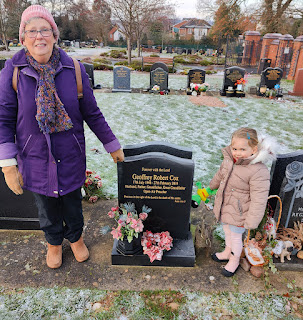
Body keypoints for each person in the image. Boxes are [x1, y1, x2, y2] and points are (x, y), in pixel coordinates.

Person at [0, 5, 124, 269]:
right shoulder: (12, 73)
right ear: (22, 38)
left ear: (55, 36)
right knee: (46, 208)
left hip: (70, 155)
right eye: (32, 31)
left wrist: (111, 145)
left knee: (72, 204)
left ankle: (76, 238)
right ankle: (54, 243)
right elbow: (3, 120)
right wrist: (8, 164)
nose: (39, 37)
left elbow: (92, 113)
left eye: (45, 30)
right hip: (34, 158)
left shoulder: (74, 70)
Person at [208, 127, 277, 277]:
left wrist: (252, 220)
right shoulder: (229, 161)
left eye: (242, 149)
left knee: (236, 236)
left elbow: (259, 197)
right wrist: (211, 187)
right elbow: (220, 175)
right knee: (226, 230)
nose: (237, 152)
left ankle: (234, 260)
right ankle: (227, 251)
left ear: (253, 149)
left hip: (241, 211)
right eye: (234, 148)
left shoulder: (258, 170)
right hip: (226, 205)